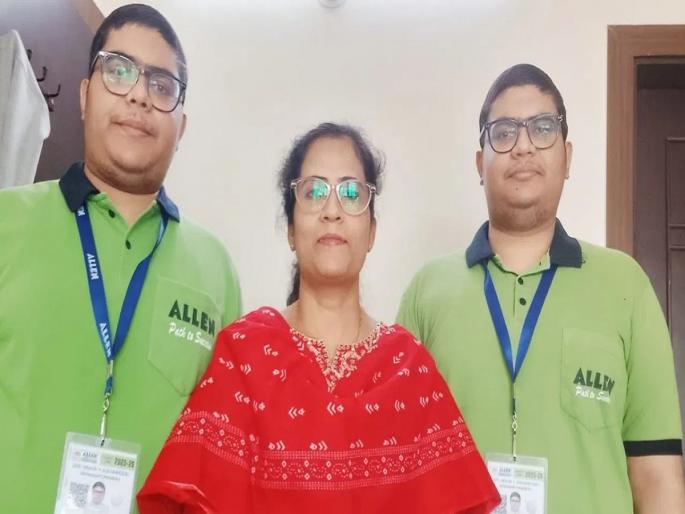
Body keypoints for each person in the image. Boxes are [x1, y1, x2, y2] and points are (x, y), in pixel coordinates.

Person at [137, 123, 500, 513]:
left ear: (371, 232)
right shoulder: (243, 356)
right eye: (313, 192)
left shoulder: (409, 368)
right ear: (291, 230)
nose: (332, 211)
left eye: (351, 193)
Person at [397, 64, 685, 513]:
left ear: (567, 158)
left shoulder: (626, 286)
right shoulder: (427, 292)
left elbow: (658, 477)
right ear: (480, 163)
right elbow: (400, 470)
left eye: (543, 128)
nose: (524, 145)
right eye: (504, 132)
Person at [0, 5, 241, 513]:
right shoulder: (7, 222)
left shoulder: (215, 269)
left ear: (182, 125)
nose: (138, 95)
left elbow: (222, 452)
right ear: (85, 94)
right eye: (119, 70)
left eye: (161, 84)